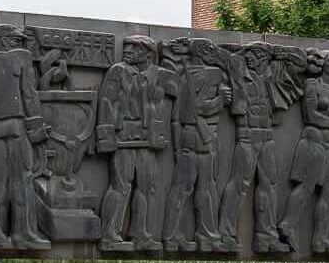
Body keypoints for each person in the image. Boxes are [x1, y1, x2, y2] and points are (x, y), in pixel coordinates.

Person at [216, 42, 304, 253]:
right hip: (246, 138)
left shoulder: (272, 78)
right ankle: (225, 235)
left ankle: (266, 238)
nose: (249, 58)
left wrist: (279, 50)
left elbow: (300, 61)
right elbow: (224, 54)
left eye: (254, 54)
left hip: (267, 138)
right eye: (248, 54)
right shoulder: (239, 75)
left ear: (265, 58)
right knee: (239, 184)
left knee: (269, 186)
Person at [96, 36, 176, 252]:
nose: (128, 50)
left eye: (134, 48)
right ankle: (109, 235)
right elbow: (106, 101)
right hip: (123, 136)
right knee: (120, 185)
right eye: (127, 46)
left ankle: (140, 234)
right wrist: (105, 136)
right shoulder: (118, 71)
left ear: (149, 53)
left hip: (148, 138)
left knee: (147, 187)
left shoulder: (159, 75)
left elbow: (182, 88)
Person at [0, 23, 50, 250]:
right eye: (16, 40)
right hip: (18, 126)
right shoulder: (21, 58)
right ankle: (24, 233)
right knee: (23, 180)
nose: (20, 44)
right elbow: (29, 95)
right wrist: (38, 131)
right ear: (5, 41)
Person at [161, 38, 231, 253]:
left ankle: (207, 236)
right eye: (209, 49)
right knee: (184, 187)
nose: (213, 52)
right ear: (200, 52)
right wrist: (221, 100)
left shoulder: (211, 73)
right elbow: (196, 108)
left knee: (207, 187)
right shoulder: (190, 75)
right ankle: (172, 236)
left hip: (206, 135)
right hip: (193, 135)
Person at [278, 50, 329, 253]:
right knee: (306, 186)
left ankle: (320, 239)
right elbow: (310, 116)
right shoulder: (312, 85)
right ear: (321, 63)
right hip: (313, 140)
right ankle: (287, 225)